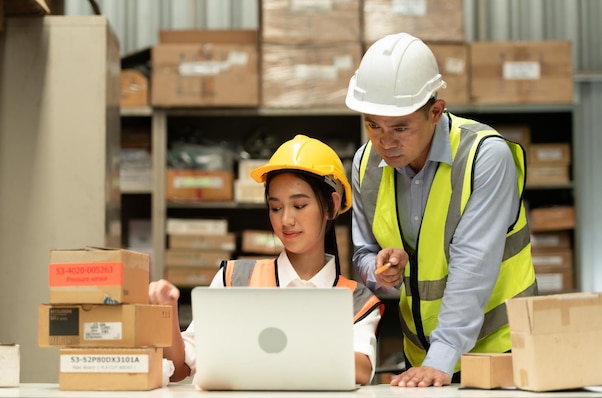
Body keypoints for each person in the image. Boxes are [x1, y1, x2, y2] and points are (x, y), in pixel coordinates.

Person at [345, 33, 538, 387]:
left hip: (503, 352)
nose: (385, 142)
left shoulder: (484, 157)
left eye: (400, 127)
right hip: (423, 360)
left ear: (436, 111)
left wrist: (443, 355)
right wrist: (378, 271)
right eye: (373, 125)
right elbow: (363, 254)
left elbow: (472, 265)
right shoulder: (364, 165)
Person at [149, 134, 385, 386]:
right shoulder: (234, 279)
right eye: (275, 208)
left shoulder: (356, 300)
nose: (285, 220)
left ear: (331, 206)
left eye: (299, 206)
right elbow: (179, 368)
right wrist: (166, 312)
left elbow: (360, 369)